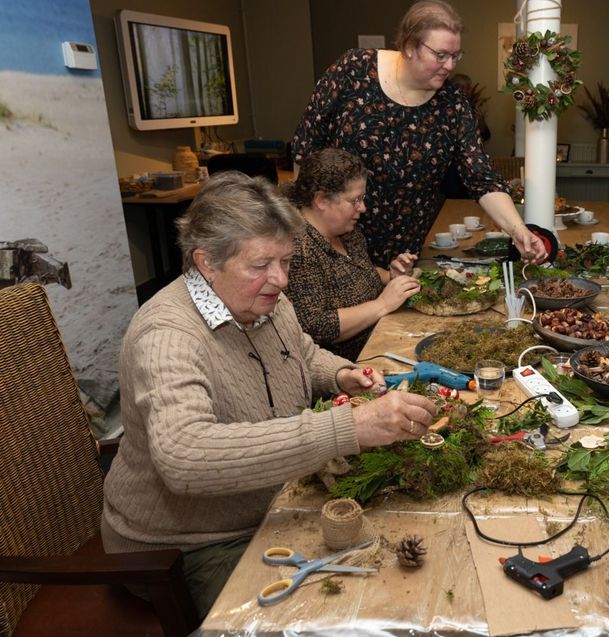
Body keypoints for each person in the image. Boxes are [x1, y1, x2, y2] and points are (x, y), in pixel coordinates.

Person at [101, 172, 438, 617]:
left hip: (270, 500)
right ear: (206, 262)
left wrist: (341, 374)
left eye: (286, 261)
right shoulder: (167, 336)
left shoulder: (264, 300)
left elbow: (298, 350)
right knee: (336, 612)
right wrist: (347, 426)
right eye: (261, 265)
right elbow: (183, 458)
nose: (279, 280)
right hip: (187, 546)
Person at [290, 0, 545, 266]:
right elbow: (305, 149)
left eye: (456, 56)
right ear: (410, 46)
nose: (450, 66)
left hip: (402, 254)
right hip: (335, 245)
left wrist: (519, 231)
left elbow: (481, 178)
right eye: (441, 55)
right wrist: (302, 235)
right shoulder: (353, 70)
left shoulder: (452, 104)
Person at [284, 149, 421, 361]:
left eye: (363, 198)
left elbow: (354, 274)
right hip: (349, 367)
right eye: (355, 200)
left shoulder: (348, 232)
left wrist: (389, 276)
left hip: (382, 341)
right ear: (321, 200)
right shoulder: (298, 248)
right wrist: (383, 304)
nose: (363, 208)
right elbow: (316, 326)